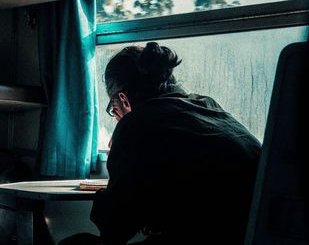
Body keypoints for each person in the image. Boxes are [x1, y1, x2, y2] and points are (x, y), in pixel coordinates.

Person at [59, 42, 261, 245]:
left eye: (114, 108)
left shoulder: (136, 124)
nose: (116, 117)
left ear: (123, 99)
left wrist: (108, 189)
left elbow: (114, 228)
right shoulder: (209, 105)